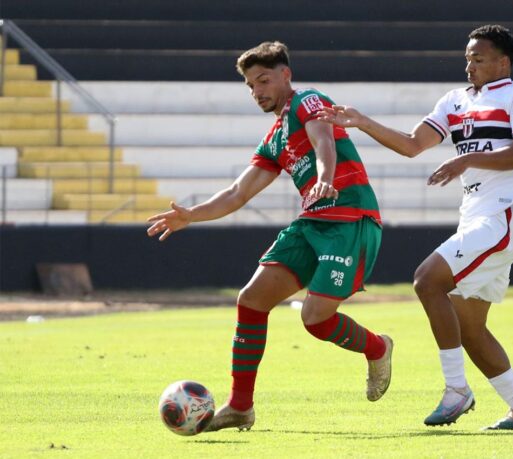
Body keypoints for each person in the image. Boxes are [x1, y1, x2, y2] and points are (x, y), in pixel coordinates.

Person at [146, 41, 393, 432]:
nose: (257, 90)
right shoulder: (276, 136)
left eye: (263, 80)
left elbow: (323, 140)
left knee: (315, 320)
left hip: (350, 219)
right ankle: (240, 406)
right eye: (250, 85)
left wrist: (326, 178)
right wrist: (191, 215)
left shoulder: (308, 101)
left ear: (285, 75)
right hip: (313, 223)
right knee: (252, 300)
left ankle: (378, 347)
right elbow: (237, 193)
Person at [320, 24, 513, 430]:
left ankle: (456, 390)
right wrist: (363, 122)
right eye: (466, 58)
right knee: (471, 328)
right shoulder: (454, 101)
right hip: (475, 216)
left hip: (502, 215)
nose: (469, 65)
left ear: (502, 61)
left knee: (427, 279)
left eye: (478, 58)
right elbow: (411, 144)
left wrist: (465, 160)